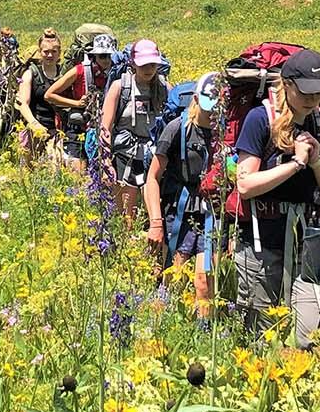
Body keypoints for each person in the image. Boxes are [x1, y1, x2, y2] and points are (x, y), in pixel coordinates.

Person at [232, 48, 320, 347]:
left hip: (307, 247)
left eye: (319, 93)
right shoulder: (260, 119)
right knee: (262, 338)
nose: (312, 99)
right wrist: (294, 165)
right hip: (261, 244)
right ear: (288, 84)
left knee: (307, 337)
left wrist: (316, 162)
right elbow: (245, 184)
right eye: (306, 92)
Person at [144, 72, 221, 320]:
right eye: (207, 107)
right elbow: (152, 178)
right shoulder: (176, 129)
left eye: (217, 109)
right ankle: (159, 329)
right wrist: (155, 223)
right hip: (179, 213)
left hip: (212, 215)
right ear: (196, 99)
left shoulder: (226, 132)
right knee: (172, 278)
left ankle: (203, 334)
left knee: (203, 283)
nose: (211, 114)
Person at [100, 39, 169, 219]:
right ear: (133, 63)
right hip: (125, 154)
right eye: (144, 64)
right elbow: (105, 128)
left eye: (152, 64)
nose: (148, 69)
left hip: (153, 154)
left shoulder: (165, 87)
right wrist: (106, 163)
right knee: (125, 211)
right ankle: (126, 242)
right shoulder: (120, 87)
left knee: (153, 210)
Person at [45, 33, 119, 171]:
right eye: (102, 56)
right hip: (79, 128)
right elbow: (49, 95)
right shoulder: (80, 71)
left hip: (105, 131)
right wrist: (77, 103)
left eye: (109, 56)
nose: (107, 60)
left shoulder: (116, 73)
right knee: (77, 173)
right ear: (94, 56)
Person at [16, 29, 65, 164]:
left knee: (55, 168)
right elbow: (23, 104)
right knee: (29, 171)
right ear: (40, 52)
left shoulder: (64, 73)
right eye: (46, 52)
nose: (50, 55)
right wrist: (34, 124)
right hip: (34, 128)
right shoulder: (31, 73)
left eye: (54, 52)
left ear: (59, 53)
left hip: (57, 131)